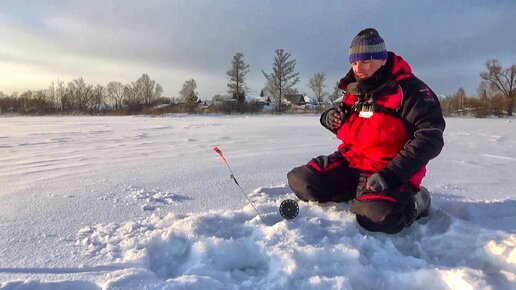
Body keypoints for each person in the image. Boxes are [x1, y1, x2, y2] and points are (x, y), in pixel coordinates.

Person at [287, 28, 445, 234]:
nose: (358, 68)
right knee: (302, 180)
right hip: (352, 160)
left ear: (382, 60)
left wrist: (392, 174)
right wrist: (330, 119)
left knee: (378, 216)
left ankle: (417, 201)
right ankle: (358, 192)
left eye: (366, 61)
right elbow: (352, 126)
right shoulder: (355, 89)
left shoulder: (411, 90)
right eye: (354, 62)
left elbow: (430, 138)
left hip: (388, 168)